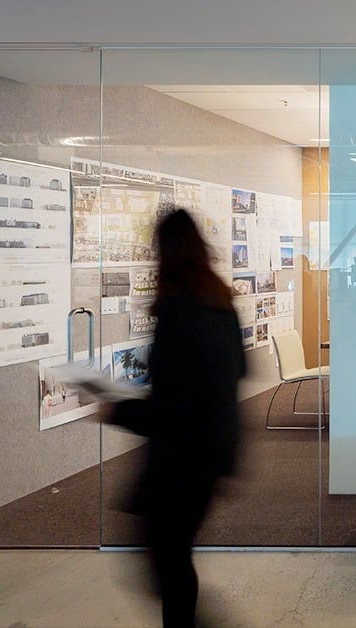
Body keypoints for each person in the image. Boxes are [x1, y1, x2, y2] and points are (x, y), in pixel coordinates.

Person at [105, 206, 247, 627]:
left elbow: (172, 407)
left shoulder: (178, 313)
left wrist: (115, 408)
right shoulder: (221, 303)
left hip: (180, 460)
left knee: (167, 565)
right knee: (173, 561)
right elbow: (239, 370)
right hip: (214, 452)